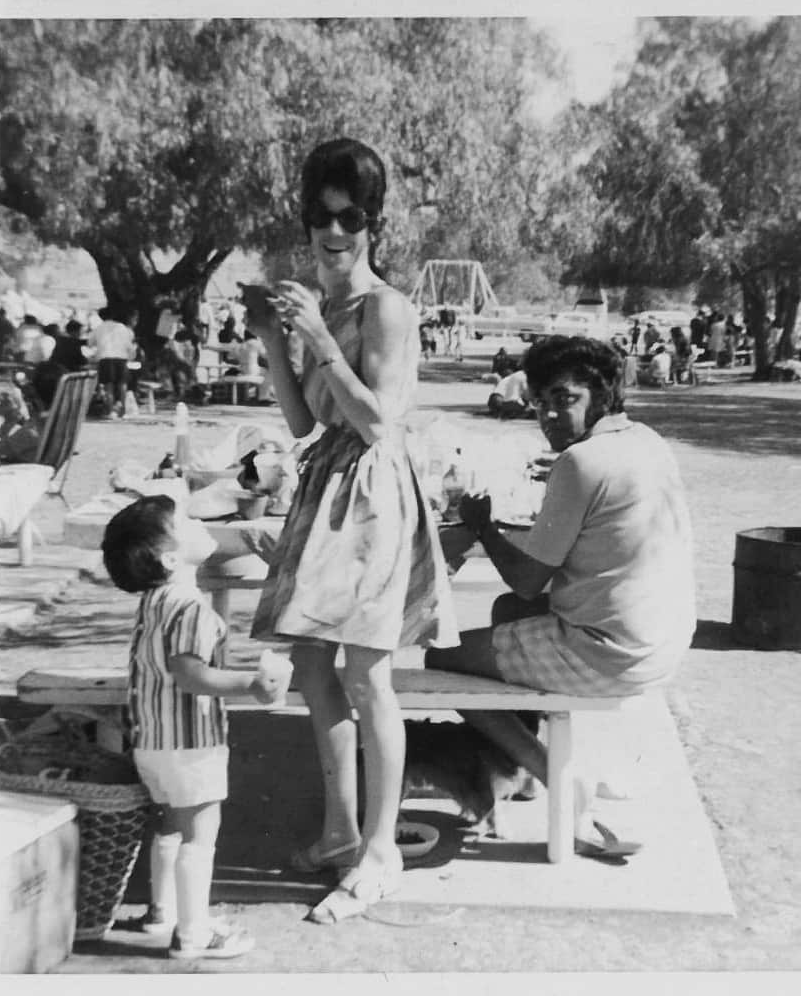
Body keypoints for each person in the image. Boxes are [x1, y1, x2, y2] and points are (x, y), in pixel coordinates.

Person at [246, 138, 459, 924]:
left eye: (351, 217)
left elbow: (378, 423)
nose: (333, 232)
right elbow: (305, 424)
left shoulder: (384, 308)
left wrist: (321, 342)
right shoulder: (322, 307)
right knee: (311, 663)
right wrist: (274, 338)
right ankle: (340, 830)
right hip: (323, 486)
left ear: (374, 223)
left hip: (372, 494)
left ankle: (380, 848)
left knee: (368, 675)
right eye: (320, 215)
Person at [427, 335, 696, 856]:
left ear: (602, 395)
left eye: (564, 399)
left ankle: (555, 777)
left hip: (608, 653)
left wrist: (482, 528)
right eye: (540, 402)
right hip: (663, 641)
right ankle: (522, 768)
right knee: (508, 613)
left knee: (441, 658)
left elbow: (528, 579)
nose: (548, 414)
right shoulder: (647, 440)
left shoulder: (580, 462)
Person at [100, 495, 284, 958]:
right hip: (190, 743)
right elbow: (191, 674)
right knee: (200, 835)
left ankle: (162, 913)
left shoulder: (154, 602)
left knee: (171, 824)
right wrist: (251, 684)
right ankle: (193, 934)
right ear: (169, 558)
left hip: (152, 742)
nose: (198, 520)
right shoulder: (191, 608)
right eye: (184, 520)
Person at [90, 306, 137, 415]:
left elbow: (90, 343)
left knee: (108, 386)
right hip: (121, 359)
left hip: (105, 358)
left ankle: (110, 411)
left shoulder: (98, 328)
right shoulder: (122, 327)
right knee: (122, 384)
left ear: (101, 317)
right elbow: (129, 345)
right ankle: (123, 410)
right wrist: (131, 356)